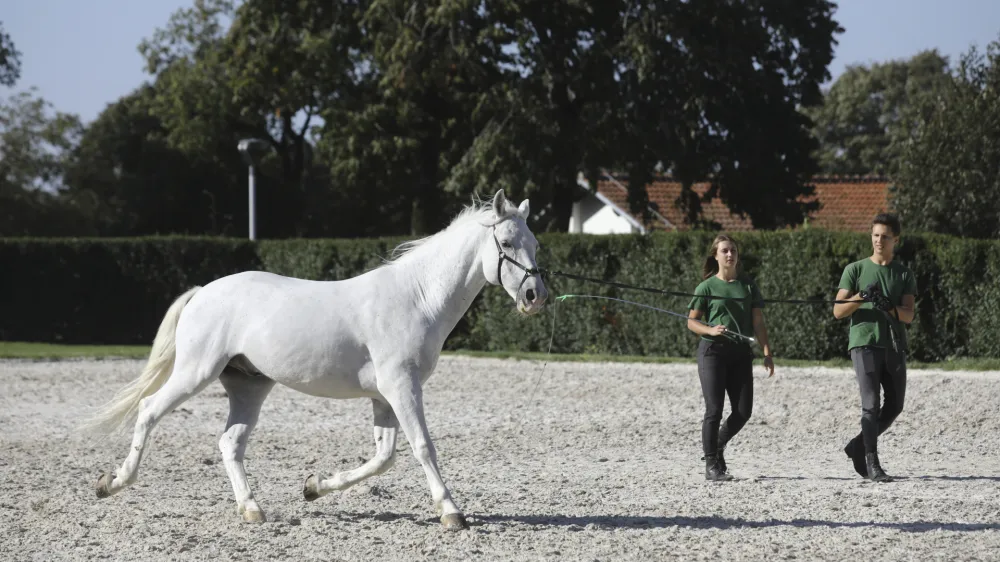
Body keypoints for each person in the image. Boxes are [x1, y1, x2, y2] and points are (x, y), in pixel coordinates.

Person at [833, 213, 916, 483]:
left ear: (896, 240)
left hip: (893, 343)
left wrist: (890, 307)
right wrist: (860, 297)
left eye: (885, 236)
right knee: (870, 405)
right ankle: (871, 462)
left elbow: (909, 314)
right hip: (864, 342)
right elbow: (838, 311)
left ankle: (858, 445)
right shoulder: (854, 269)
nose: (879, 240)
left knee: (895, 406)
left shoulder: (903, 273)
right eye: (875, 235)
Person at [687, 234, 775, 482]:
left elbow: (758, 321)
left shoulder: (747, 286)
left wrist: (767, 352)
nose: (729, 255)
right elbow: (692, 322)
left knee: (743, 411)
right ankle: (712, 465)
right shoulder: (706, 287)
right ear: (715, 255)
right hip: (712, 353)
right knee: (714, 410)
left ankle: (717, 444)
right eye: (724, 250)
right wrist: (710, 330)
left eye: (733, 250)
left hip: (740, 355)